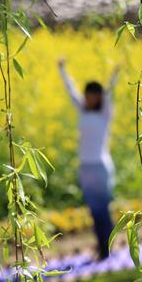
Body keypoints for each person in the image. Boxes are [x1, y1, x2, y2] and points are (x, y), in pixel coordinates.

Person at [58, 58, 120, 259]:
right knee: (94, 211)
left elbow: (110, 91)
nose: (88, 98)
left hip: (100, 166)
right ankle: (102, 247)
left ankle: (106, 248)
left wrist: (115, 73)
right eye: (87, 95)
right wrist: (62, 70)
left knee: (103, 210)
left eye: (93, 95)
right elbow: (70, 91)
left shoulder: (104, 113)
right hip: (85, 167)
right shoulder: (82, 109)